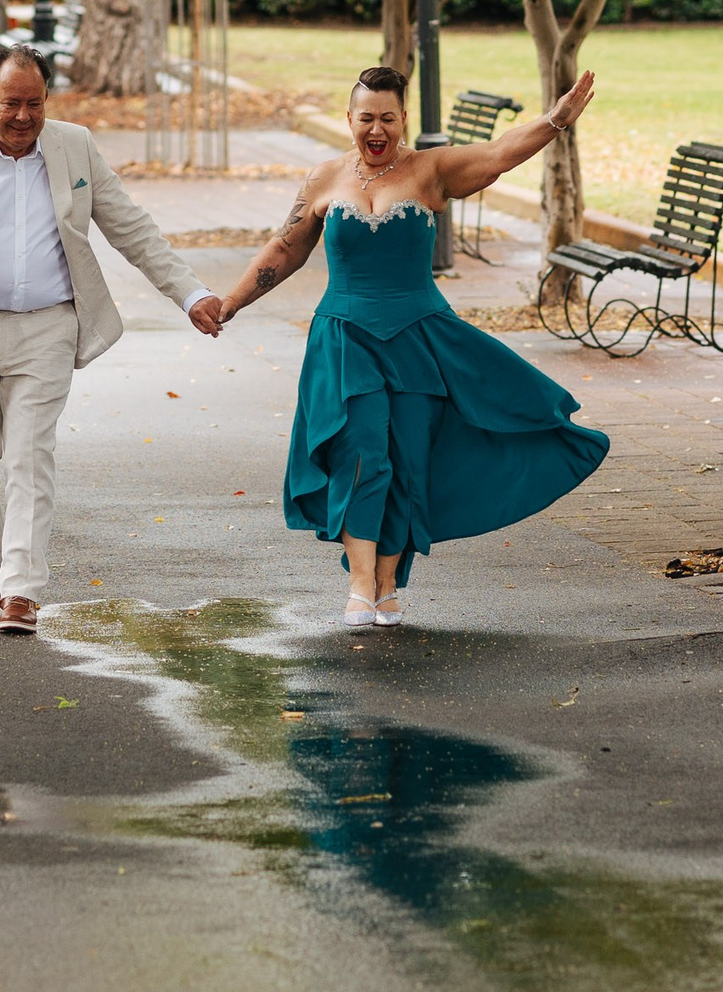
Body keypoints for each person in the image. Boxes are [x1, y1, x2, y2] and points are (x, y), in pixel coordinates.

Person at [216, 65, 608, 628]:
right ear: (349, 119)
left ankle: (386, 584)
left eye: (388, 119)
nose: (377, 131)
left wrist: (554, 121)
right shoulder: (324, 179)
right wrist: (230, 303)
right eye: (366, 119)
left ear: (404, 120)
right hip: (346, 337)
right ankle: (358, 585)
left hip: (419, 336)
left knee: (405, 459)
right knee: (359, 454)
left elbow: (498, 153)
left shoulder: (433, 169)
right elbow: (285, 249)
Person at [0, 45, 226, 634]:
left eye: (34, 105)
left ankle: (21, 591)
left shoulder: (74, 147)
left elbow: (132, 229)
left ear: (48, 102)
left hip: (47, 325)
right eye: (10, 104)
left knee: (29, 459)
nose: (22, 118)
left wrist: (191, 294)